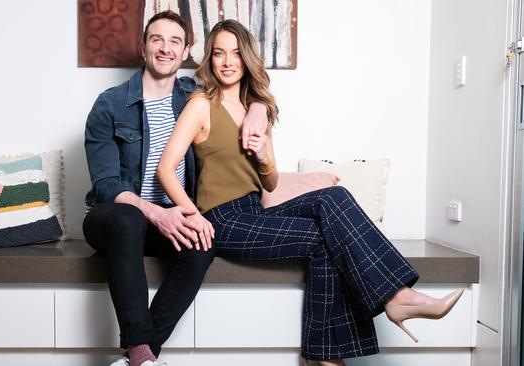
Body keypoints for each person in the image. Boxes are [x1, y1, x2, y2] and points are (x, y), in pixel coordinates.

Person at [157, 19, 464, 366]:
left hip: (254, 211)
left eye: (236, 54)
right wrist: (194, 216)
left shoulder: (258, 111)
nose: (227, 62)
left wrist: (262, 155)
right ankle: (347, 339)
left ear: (247, 60)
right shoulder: (200, 103)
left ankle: (392, 301)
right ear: (210, 59)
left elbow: (270, 184)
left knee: (335, 197)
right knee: (326, 238)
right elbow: (165, 169)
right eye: (219, 53)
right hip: (222, 218)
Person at [83, 11, 268, 366]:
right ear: (143, 47)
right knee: (127, 219)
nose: (165, 49)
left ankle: (141, 356)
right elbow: (106, 184)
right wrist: (156, 212)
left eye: (174, 42)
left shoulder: (194, 98)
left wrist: (259, 107)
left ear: (186, 51)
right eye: (157, 40)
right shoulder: (109, 105)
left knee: (202, 244)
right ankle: (141, 355)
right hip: (114, 221)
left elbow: (240, 95)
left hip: (171, 218)